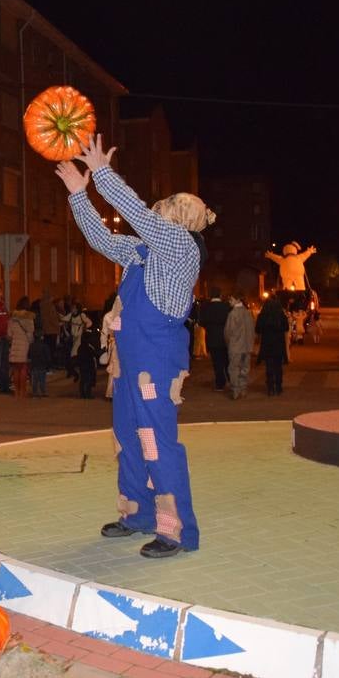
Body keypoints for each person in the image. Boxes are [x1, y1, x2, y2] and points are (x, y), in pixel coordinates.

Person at [57, 135, 213, 558]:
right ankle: (136, 514)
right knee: (128, 438)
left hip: (157, 365)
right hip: (129, 365)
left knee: (157, 442)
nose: (157, 212)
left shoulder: (180, 248)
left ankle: (175, 531)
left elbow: (139, 215)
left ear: (178, 218)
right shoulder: (144, 254)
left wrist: (103, 175)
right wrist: (79, 196)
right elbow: (103, 241)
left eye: (164, 209)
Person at [196, 287, 231, 392]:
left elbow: (201, 322)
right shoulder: (226, 306)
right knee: (227, 361)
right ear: (220, 295)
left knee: (217, 362)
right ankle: (231, 379)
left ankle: (220, 383)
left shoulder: (206, 307)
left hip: (212, 338)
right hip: (225, 338)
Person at [223, 294, 256, 400]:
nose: (229, 301)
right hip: (247, 345)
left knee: (233, 368)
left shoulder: (233, 314)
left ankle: (235, 390)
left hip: (235, 346)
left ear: (237, 300)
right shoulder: (248, 313)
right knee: (244, 368)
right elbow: (252, 330)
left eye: (231, 299)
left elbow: (228, 332)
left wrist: (229, 343)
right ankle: (243, 388)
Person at [255, 296, 288, 395]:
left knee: (269, 366)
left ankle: (270, 387)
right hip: (278, 344)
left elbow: (257, 329)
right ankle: (278, 386)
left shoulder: (263, 316)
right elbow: (286, 328)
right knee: (278, 366)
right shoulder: (281, 315)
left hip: (267, 343)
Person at [7, 298, 35, 398]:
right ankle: (23, 391)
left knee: (15, 369)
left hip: (15, 344)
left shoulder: (12, 318)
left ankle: (16, 392)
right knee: (23, 368)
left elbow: (9, 334)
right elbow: (31, 332)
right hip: (25, 344)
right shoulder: (29, 318)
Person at [62, 302, 93, 380]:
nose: (72, 309)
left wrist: (84, 327)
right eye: (72, 308)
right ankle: (74, 372)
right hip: (73, 338)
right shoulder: (71, 315)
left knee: (74, 354)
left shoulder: (81, 315)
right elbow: (63, 319)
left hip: (79, 338)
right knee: (72, 355)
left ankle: (75, 373)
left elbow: (89, 322)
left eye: (74, 308)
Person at [76, 325, 101, 399]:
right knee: (88, 380)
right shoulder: (88, 347)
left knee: (83, 380)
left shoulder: (80, 347)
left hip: (82, 366)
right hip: (88, 366)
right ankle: (87, 394)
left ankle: (82, 394)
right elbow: (95, 354)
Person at [29, 329, 52, 398]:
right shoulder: (44, 346)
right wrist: (48, 365)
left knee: (34, 381)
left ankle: (35, 393)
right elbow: (48, 357)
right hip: (42, 365)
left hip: (34, 365)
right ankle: (43, 392)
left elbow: (29, 355)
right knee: (42, 380)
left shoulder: (31, 345)